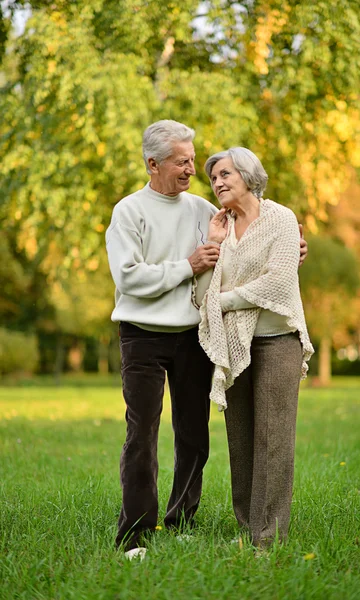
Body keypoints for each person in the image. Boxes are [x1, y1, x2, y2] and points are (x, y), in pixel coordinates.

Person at [106, 121, 308, 560]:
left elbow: (248, 242)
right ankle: (135, 535)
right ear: (153, 164)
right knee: (142, 434)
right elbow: (128, 277)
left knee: (194, 437)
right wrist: (188, 264)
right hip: (141, 335)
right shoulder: (129, 211)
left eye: (195, 162)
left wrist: (292, 246)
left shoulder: (203, 210)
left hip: (193, 334)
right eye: (183, 162)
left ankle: (180, 521)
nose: (193, 171)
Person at [196, 147, 314, 549]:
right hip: (234, 343)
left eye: (225, 174)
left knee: (273, 438)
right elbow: (202, 295)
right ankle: (249, 528)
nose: (218, 183)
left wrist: (226, 299)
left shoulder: (280, 218)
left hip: (279, 340)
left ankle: (270, 537)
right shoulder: (221, 227)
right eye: (213, 178)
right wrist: (211, 247)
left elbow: (278, 283)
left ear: (248, 175)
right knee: (241, 438)